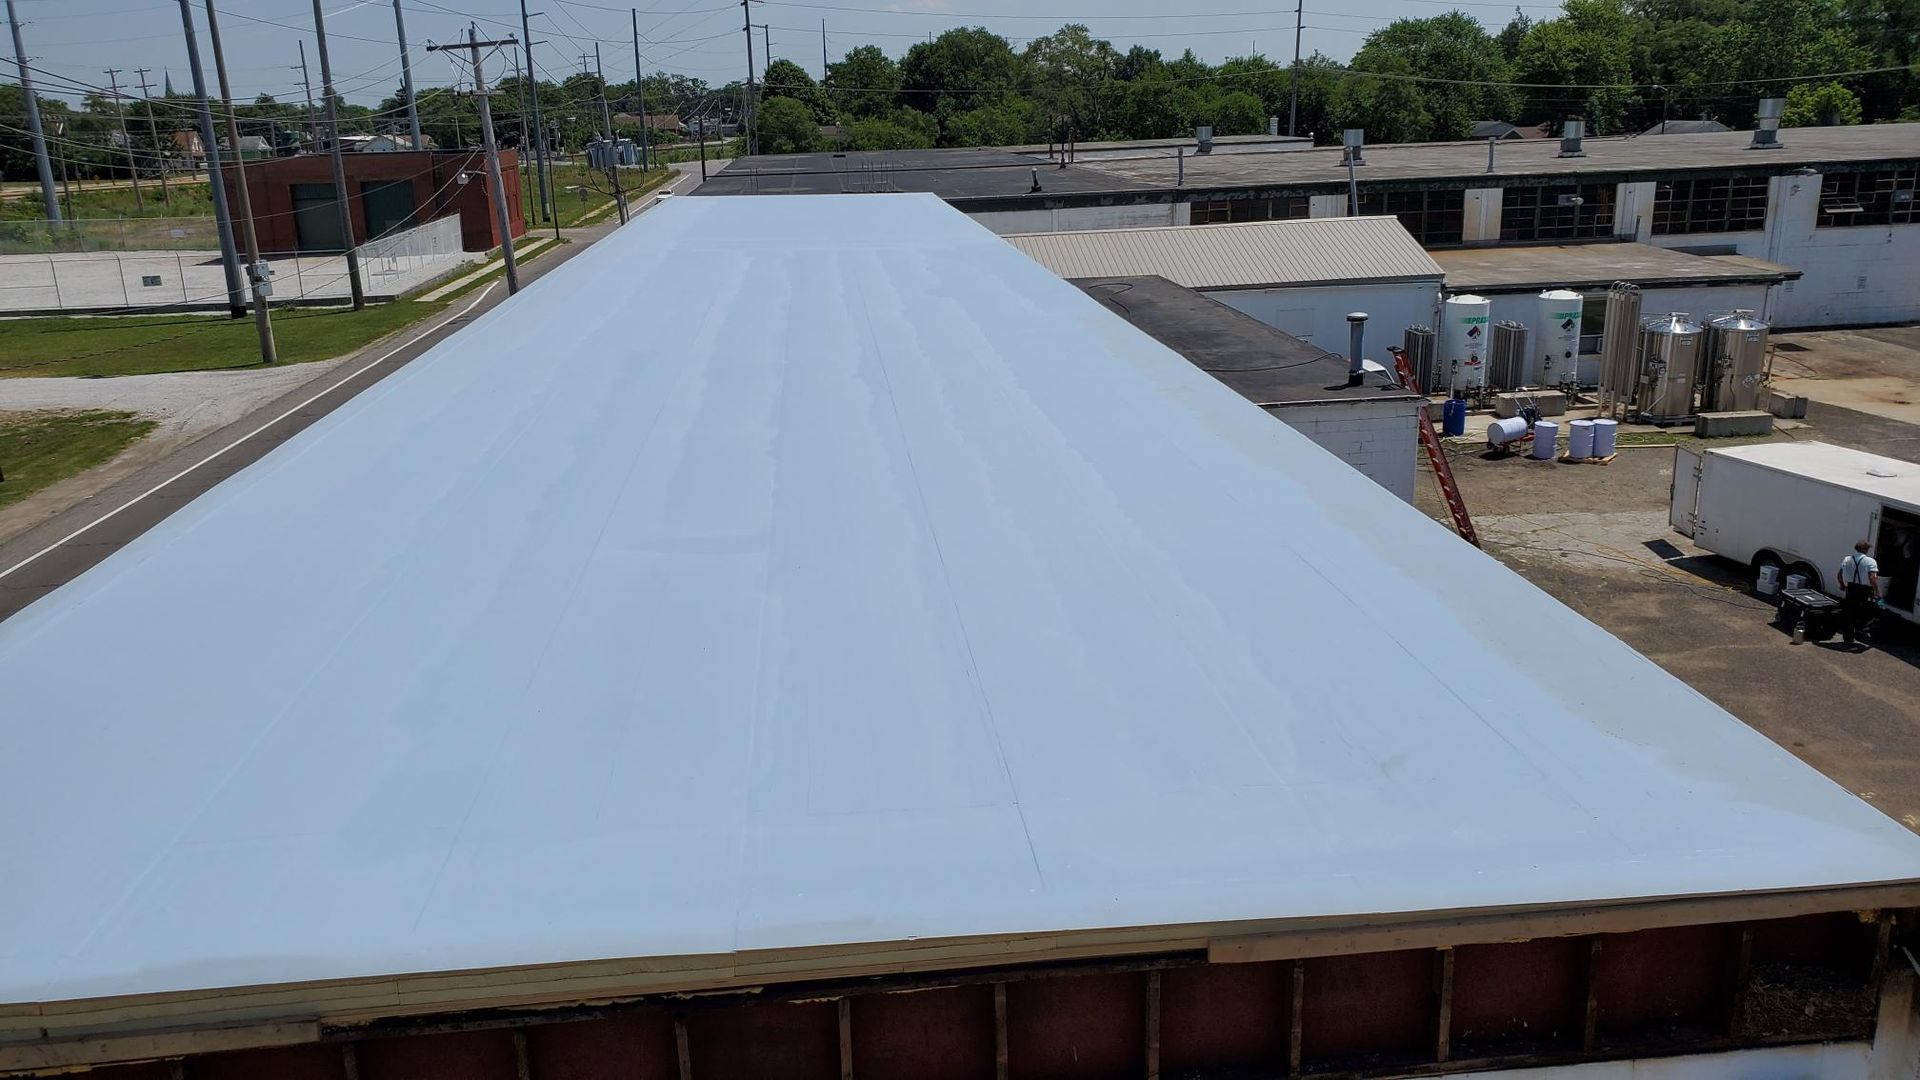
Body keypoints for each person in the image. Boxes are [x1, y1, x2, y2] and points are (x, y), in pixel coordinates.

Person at [1838, 540, 1880, 646]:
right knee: (1864, 612)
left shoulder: (1847, 559)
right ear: (1865, 549)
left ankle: (1847, 639)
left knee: (1849, 613)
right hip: (1863, 590)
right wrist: (1877, 592)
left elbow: (1839, 574)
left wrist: (1843, 585)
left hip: (1851, 588)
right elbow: (1872, 578)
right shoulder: (1870, 561)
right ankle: (1861, 631)